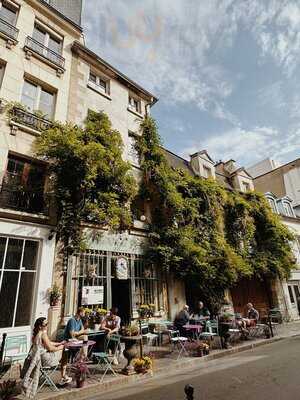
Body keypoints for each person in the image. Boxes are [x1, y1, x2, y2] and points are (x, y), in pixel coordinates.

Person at [32, 317, 71, 385]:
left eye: (47, 324)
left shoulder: (36, 335)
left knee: (63, 348)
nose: (47, 326)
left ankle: (64, 376)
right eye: (45, 324)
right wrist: (61, 347)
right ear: (40, 326)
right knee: (65, 349)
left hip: (39, 360)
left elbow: (48, 343)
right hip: (46, 360)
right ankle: (64, 376)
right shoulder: (43, 335)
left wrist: (60, 343)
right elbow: (51, 348)